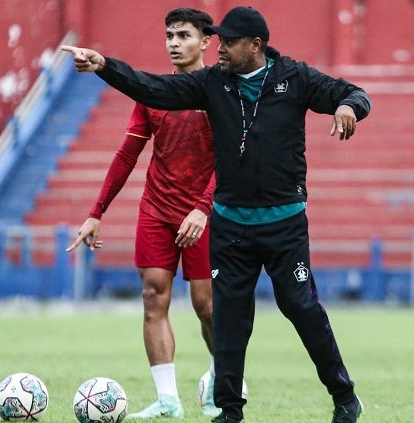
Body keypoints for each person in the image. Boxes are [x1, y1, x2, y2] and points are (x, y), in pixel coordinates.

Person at [62, 6, 371, 423]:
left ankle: (344, 396)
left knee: (301, 307)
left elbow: (354, 93)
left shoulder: (294, 78)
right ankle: (229, 411)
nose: (219, 48)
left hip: (285, 225)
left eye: (227, 42)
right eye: (218, 40)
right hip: (232, 226)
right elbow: (153, 89)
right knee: (229, 317)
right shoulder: (212, 83)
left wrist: (350, 107)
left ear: (255, 46)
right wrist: (104, 66)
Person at [66, 7, 222, 420]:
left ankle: (224, 379)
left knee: (207, 305)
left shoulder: (221, 94)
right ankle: (169, 400)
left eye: (184, 35)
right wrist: (96, 212)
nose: (174, 42)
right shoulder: (154, 93)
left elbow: (231, 162)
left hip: (205, 214)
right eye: (169, 35)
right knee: (153, 297)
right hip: (157, 209)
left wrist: (203, 208)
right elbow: (127, 154)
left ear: (206, 42)